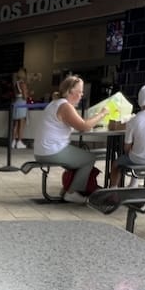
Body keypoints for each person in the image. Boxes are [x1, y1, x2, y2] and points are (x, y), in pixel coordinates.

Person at [33, 74, 103, 205]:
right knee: (88, 158)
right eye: (80, 92)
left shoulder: (55, 103)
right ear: (71, 92)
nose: (82, 95)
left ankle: (68, 189)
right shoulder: (65, 106)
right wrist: (102, 114)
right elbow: (84, 127)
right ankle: (72, 193)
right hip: (51, 151)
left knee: (79, 157)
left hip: (42, 150)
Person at [11, 67, 32, 150]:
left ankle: (13, 142)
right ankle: (19, 141)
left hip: (16, 102)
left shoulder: (16, 83)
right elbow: (24, 96)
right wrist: (29, 93)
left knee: (16, 124)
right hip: (22, 103)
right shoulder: (23, 83)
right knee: (21, 123)